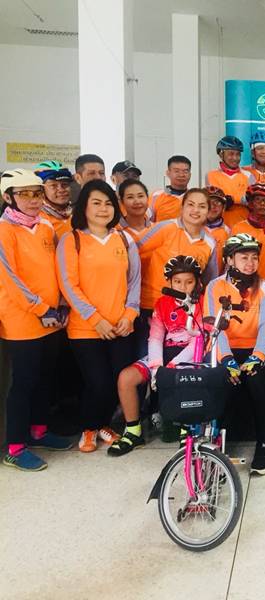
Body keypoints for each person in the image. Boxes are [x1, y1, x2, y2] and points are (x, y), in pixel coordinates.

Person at [56, 179, 141, 453]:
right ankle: (89, 428)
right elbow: (68, 285)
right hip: (86, 329)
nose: (103, 209)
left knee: (118, 381)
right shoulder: (72, 240)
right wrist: (95, 319)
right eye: (96, 203)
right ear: (84, 207)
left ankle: (104, 424)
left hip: (121, 326)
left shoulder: (124, 239)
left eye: (108, 203)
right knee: (97, 382)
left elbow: (134, 281)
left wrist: (130, 314)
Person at [0, 169, 72, 471]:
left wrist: (61, 304)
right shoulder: (5, 230)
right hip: (23, 320)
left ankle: (39, 432)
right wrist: (41, 308)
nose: (33, 200)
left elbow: (57, 268)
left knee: (46, 378)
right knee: (24, 383)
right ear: (8, 197)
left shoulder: (44, 226)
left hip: (52, 317)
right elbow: (9, 278)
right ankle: (15, 447)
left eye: (37, 193)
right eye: (25, 194)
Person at [108, 256, 205, 457]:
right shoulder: (162, 303)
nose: (183, 287)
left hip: (190, 354)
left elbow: (199, 340)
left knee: (185, 379)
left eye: (189, 282)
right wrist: (156, 369)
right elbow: (155, 337)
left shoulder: (203, 302)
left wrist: (173, 366)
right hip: (164, 352)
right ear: (169, 282)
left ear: (197, 282)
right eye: (177, 282)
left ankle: (186, 430)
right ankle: (133, 431)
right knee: (126, 378)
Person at [205, 233, 265, 475]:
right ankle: (217, 445)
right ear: (229, 259)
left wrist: (258, 356)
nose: (250, 263)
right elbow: (214, 327)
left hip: (254, 347)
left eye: (254, 257)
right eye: (243, 257)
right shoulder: (215, 286)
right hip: (223, 346)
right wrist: (227, 359)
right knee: (223, 380)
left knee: (258, 380)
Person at [136, 188, 219, 317]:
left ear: (208, 211)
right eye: (190, 204)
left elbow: (210, 281)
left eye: (202, 206)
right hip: (151, 306)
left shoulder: (210, 242)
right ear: (182, 207)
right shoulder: (165, 228)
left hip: (185, 311)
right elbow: (134, 254)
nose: (196, 210)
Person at [231, 184, 265, 281]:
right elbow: (230, 262)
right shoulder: (237, 229)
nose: (262, 203)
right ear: (250, 204)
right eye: (258, 199)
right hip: (242, 285)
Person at [205, 136, 255, 226]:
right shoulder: (211, 175)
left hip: (243, 226)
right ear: (221, 155)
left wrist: (232, 199)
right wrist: (241, 200)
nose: (235, 158)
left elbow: (253, 201)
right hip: (219, 227)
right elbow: (211, 200)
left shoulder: (248, 176)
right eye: (231, 154)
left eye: (238, 154)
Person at [34, 160, 74, 240]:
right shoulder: (36, 220)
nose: (61, 190)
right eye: (53, 185)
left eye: (65, 184)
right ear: (41, 190)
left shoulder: (77, 215)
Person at [149, 155, 191, 222]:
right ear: (168, 173)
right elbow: (147, 222)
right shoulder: (156, 196)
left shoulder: (194, 196)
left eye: (185, 171)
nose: (181, 175)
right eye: (176, 171)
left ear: (190, 174)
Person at [205, 186, 232, 271]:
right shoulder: (191, 229)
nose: (213, 206)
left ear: (223, 208)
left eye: (217, 202)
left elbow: (229, 264)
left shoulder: (229, 233)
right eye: (208, 202)